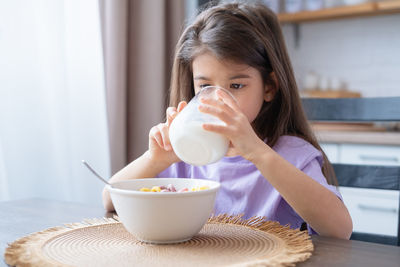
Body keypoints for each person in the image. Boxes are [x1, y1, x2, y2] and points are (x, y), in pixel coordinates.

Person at [102, 1, 352, 239]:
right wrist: (154, 159)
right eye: (205, 86)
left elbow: (340, 230)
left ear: (269, 87)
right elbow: (110, 199)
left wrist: (257, 152)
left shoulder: (292, 154)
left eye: (236, 85)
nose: (220, 100)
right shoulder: (187, 155)